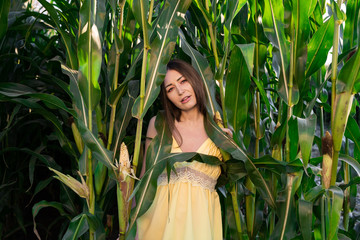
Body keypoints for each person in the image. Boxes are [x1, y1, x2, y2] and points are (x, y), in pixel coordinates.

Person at [136, 59, 231, 240]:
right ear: (166, 96)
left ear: (195, 79)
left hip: (200, 226)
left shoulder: (220, 131)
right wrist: (131, 227)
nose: (180, 91)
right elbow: (144, 180)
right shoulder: (159, 125)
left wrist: (229, 146)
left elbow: (233, 173)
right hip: (157, 224)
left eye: (183, 81)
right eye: (170, 89)